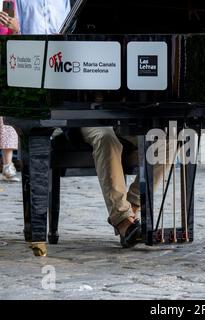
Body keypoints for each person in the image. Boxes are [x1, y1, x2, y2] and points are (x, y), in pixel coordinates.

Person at [18, 0, 169, 248]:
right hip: (81, 109)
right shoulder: (79, 13)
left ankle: (131, 207)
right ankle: (123, 220)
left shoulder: (122, 22)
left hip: (122, 110)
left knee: (165, 138)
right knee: (105, 137)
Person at [0, 0, 20, 182]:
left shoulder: (11, 2)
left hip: (6, 60)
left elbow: (16, 33)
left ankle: (8, 163)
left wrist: (14, 27)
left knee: (6, 112)